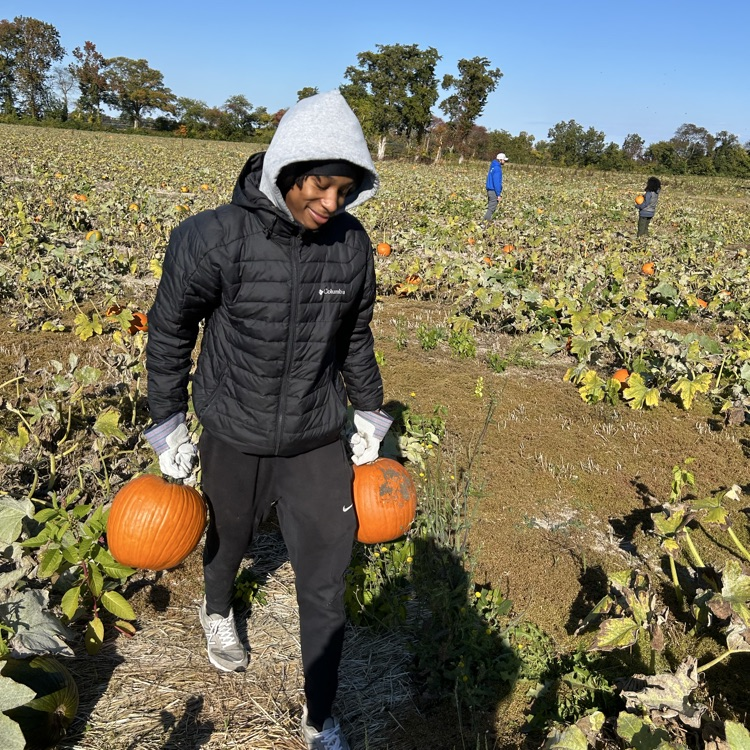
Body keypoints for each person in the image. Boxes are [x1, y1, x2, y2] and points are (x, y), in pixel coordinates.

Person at [143, 89, 393, 750]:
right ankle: (217, 608)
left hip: (315, 435)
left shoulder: (350, 245)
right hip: (234, 424)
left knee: (326, 580)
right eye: (319, 184)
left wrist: (370, 411)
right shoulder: (212, 238)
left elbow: (356, 338)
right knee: (227, 537)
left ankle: (320, 718)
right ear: (286, 167)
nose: (330, 203)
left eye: (344, 190)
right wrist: (167, 425)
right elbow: (170, 330)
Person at [483, 152, 508, 221]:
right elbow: (496, 182)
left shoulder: (493, 166)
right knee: (491, 209)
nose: (505, 161)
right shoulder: (497, 169)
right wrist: (498, 194)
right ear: (500, 160)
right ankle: (484, 223)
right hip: (493, 191)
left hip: (489, 190)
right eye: (504, 160)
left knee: (490, 207)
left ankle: (485, 222)